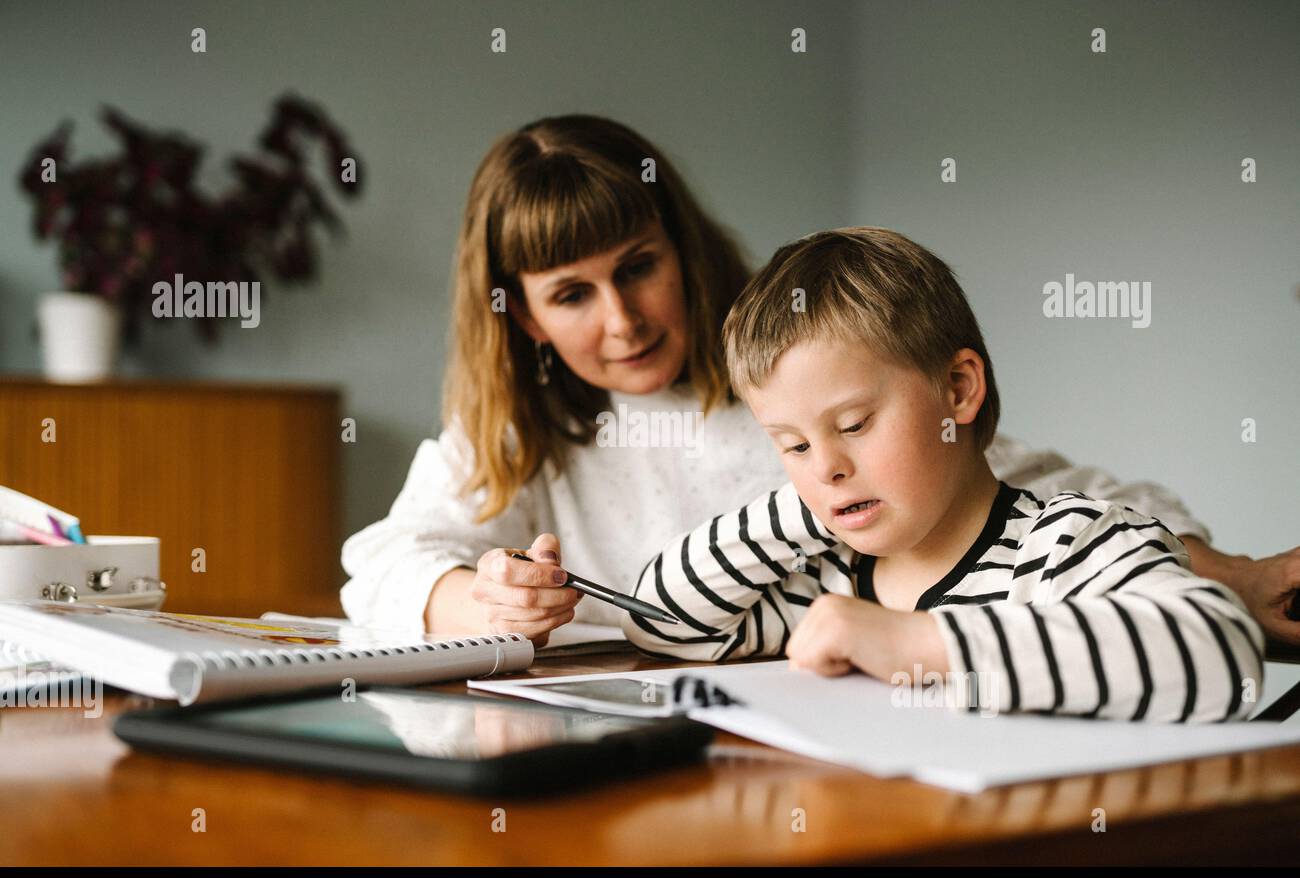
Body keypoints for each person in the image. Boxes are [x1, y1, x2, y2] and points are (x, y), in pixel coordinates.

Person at [340, 115, 1300, 650]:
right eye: (572, 294)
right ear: (522, 314)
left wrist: (1219, 573)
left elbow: (1027, 500)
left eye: (638, 267)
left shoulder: (785, 383)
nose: (621, 320)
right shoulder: (516, 435)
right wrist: (478, 599)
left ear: (683, 248)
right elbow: (379, 565)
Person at [621, 227, 1262, 722]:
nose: (827, 465)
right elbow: (656, 619)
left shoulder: (1067, 546)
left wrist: (921, 643)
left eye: (852, 425)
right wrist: (806, 504)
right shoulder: (827, 579)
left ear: (958, 389)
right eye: (790, 444)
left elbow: (1221, 653)